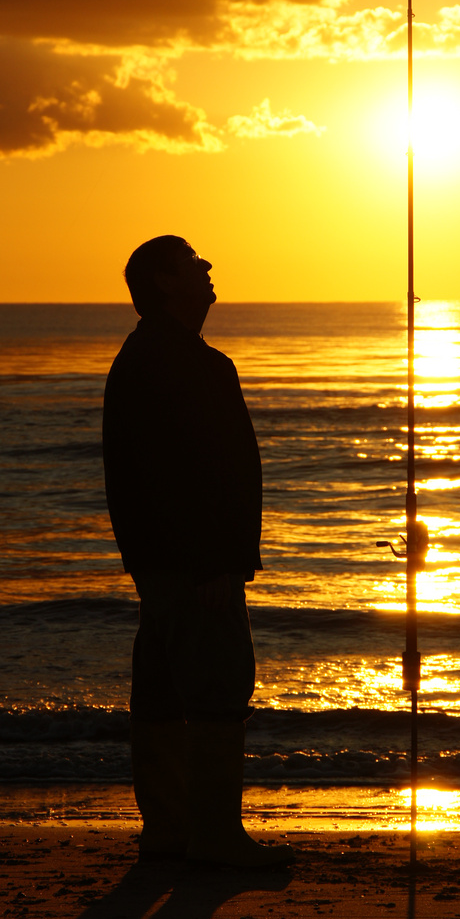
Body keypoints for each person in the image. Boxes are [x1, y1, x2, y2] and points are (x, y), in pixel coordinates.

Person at [102, 234, 293, 867]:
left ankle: (170, 832)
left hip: (166, 560)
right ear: (162, 281)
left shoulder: (162, 357)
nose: (208, 265)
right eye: (191, 260)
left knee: (160, 692)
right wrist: (214, 561)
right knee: (215, 689)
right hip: (191, 562)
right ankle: (212, 838)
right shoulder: (173, 361)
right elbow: (177, 475)